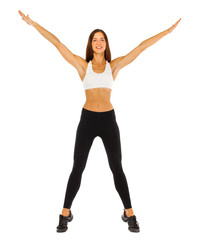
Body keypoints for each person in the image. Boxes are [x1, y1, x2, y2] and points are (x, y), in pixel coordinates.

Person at [18, 10, 181, 233]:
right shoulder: (82, 66)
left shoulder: (113, 66)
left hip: (107, 120)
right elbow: (57, 43)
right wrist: (33, 24)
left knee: (117, 167)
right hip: (87, 120)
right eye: (94, 39)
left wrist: (169, 31)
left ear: (106, 44)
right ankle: (65, 213)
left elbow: (141, 47)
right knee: (78, 167)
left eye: (101, 39)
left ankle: (129, 213)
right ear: (90, 44)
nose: (98, 42)